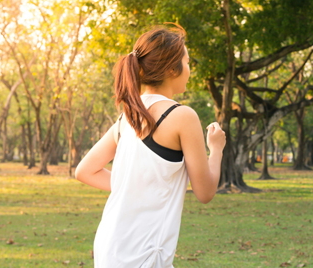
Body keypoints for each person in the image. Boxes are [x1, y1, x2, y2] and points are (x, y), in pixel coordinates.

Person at [75, 24, 226, 268]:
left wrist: (133, 187)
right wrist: (216, 149)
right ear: (171, 69)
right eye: (187, 63)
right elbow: (206, 192)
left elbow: (84, 171)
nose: (189, 71)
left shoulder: (127, 117)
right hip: (143, 253)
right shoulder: (183, 117)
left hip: (110, 246)